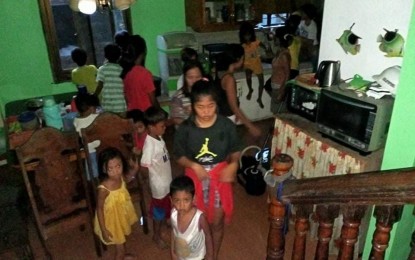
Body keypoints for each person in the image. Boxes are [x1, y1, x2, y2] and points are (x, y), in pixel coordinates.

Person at [173, 80, 242, 260]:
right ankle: (197, 252)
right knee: (197, 220)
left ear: (217, 104)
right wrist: (194, 165)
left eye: (210, 106)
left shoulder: (226, 126)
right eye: (200, 106)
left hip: (219, 177)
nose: (205, 111)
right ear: (193, 105)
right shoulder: (186, 129)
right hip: (195, 177)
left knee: (217, 222)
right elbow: (179, 155)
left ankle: (213, 256)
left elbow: (235, 150)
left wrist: (233, 165)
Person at [94, 147, 138, 260]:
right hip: (111, 222)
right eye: (111, 169)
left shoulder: (120, 178)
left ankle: (123, 255)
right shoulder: (104, 189)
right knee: (120, 246)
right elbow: (99, 208)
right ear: (104, 169)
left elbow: (127, 178)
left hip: (120, 216)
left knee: (122, 239)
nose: (116, 171)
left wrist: (135, 169)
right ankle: (121, 255)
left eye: (118, 166)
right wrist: (104, 230)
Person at [140, 106, 172, 249]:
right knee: (158, 212)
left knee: (166, 204)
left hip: (166, 181)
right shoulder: (149, 145)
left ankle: (165, 223)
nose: (165, 128)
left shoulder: (158, 137)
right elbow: (144, 167)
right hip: (158, 185)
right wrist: (148, 183)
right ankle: (156, 235)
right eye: (162, 126)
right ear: (151, 127)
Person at [215, 43, 261, 139]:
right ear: (238, 59)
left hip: (222, 117)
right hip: (227, 119)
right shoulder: (229, 79)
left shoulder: (221, 73)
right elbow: (233, 106)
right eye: (243, 58)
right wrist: (250, 127)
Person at [170, 175, 213, 260]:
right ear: (171, 200)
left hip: (197, 257)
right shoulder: (173, 214)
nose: (181, 205)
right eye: (177, 200)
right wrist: (173, 251)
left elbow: (208, 235)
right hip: (181, 256)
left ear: (193, 199)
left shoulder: (199, 218)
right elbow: (173, 232)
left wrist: (210, 256)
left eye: (186, 200)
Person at [120, 35, 160, 112]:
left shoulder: (125, 72)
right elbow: (153, 100)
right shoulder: (145, 73)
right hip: (146, 115)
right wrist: (160, 112)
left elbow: (127, 98)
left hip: (133, 115)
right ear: (143, 53)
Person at [73, 92, 101, 180]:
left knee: (93, 173)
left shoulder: (76, 121)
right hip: (102, 148)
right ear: (91, 107)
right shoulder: (97, 117)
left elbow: (78, 138)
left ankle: (94, 183)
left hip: (89, 153)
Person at [239, 22, 265, 108]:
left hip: (256, 63)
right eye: (245, 36)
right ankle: (250, 89)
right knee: (248, 75)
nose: (247, 37)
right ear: (242, 36)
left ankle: (259, 98)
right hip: (248, 64)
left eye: (249, 35)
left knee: (261, 81)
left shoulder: (255, 42)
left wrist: (266, 48)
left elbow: (262, 45)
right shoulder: (242, 45)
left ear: (252, 34)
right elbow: (240, 56)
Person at [95, 43, 127, 115]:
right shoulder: (122, 69)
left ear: (105, 56)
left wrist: (94, 96)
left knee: (110, 125)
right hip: (121, 105)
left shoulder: (102, 69)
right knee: (122, 125)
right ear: (119, 56)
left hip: (107, 107)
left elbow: (100, 86)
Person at [170, 61, 204, 126]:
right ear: (185, 78)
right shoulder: (178, 97)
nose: (194, 81)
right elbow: (176, 119)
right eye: (190, 77)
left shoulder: (208, 93)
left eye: (198, 77)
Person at [269, 30, 292, 114]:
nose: (274, 40)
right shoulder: (279, 52)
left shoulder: (284, 55)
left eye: (276, 38)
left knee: (279, 113)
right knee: (275, 111)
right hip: (275, 86)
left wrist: (282, 91)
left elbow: (287, 74)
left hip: (279, 86)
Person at [297, 3, 319, 71]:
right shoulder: (302, 22)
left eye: (303, 13)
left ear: (307, 14)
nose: (301, 14)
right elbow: (298, 32)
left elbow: (310, 41)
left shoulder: (312, 26)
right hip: (304, 50)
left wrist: (300, 38)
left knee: (312, 71)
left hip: (312, 52)